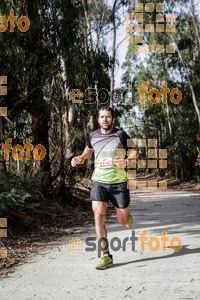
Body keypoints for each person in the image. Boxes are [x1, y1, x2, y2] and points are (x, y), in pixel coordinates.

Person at [71, 106, 138, 270]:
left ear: (113, 119)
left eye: (108, 117)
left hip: (119, 182)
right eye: (102, 117)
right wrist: (79, 159)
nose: (105, 119)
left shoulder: (120, 134)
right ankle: (106, 255)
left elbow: (135, 151)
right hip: (99, 182)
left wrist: (127, 161)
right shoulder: (92, 135)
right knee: (98, 215)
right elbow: (87, 152)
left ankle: (127, 218)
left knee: (123, 221)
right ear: (98, 119)